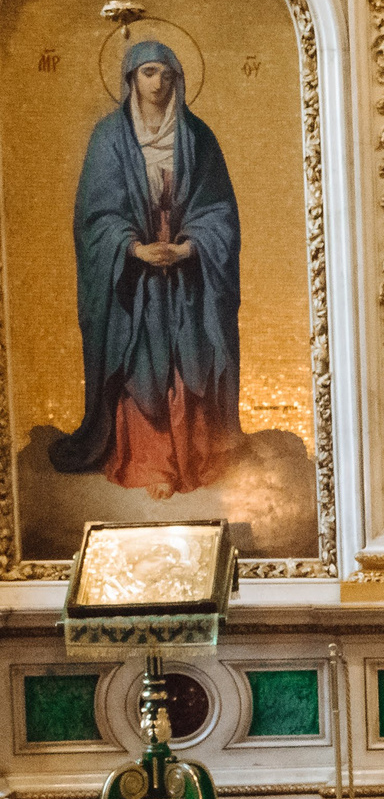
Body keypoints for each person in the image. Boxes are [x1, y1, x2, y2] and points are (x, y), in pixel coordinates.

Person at [55, 40, 244, 500]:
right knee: (142, 358)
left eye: (166, 74)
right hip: (134, 275)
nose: (158, 83)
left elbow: (219, 208)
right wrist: (132, 248)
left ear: (178, 78)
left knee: (189, 357)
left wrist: (189, 247)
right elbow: (94, 217)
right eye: (148, 73)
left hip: (185, 269)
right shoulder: (108, 137)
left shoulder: (196, 136)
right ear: (130, 79)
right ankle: (150, 463)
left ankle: (195, 458)